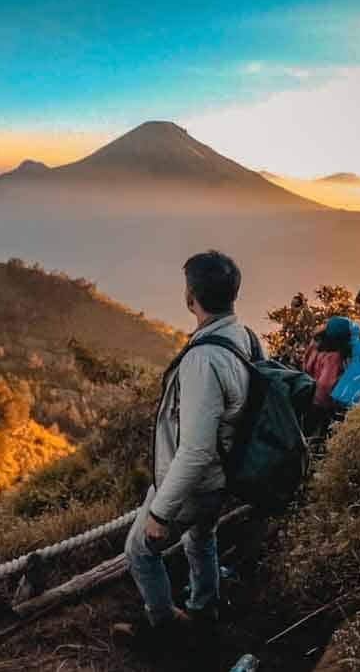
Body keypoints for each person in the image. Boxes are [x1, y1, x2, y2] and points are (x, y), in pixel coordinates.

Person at [116, 250, 259, 652]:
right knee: (201, 538)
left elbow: (195, 449)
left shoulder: (203, 359)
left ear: (190, 296)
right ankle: (203, 607)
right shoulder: (242, 336)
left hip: (196, 482)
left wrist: (161, 512)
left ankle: (164, 628)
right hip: (222, 476)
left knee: (140, 551)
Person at [302, 316, 351, 442]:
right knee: (318, 436)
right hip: (322, 402)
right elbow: (325, 383)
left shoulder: (315, 344)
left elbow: (305, 365)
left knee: (304, 431)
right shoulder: (334, 356)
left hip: (307, 393)